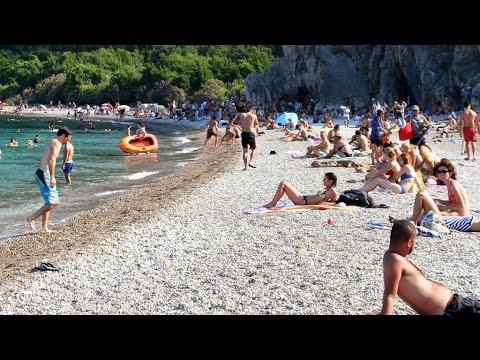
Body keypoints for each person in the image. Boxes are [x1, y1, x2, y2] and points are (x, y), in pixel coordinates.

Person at [377, 219, 480, 315]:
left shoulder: (394, 258)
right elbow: (390, 295)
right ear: (409, 243)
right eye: (414, 241)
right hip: (453, 310)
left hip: (456, 304)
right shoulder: (394, 260)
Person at [27, 127, 72, 233]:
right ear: (62, 136)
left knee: (49, 202)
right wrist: (52, 176)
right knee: (54, 202)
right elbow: (52, 160)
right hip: (44, 174)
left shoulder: (52, 141)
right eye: (67, 139)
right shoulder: (57, 143)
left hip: (41, 173)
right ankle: (32, 218)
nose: (68, 141)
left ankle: (44, 228)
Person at [410, 158, 470, 225]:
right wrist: (441, 201)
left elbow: (461, 206)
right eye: (439, 171)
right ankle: (412, 221)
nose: (441, 173)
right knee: (423, 214)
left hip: (461, 218)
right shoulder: (449, 184)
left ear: (450, 173)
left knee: (422, 215)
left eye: (444, 171)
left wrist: (443, 207)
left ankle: (412, 222)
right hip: (456, 214)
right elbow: (454, 202)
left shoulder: (453, 184)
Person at [265, 172, 340, 208]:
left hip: (302, 202)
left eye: (324, 179)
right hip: (303, 198)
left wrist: (327, 204)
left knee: (283, 183)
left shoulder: (333, 191)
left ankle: (273, 203)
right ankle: (273, 203)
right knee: (285, 183)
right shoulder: (328, 189)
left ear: (330, 181)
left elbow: (338, 203)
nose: (323, 180)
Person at [237, 103, 259, 170]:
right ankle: (251, 162)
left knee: (245, 150)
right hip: (250, 133)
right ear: (251, 109)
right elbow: (256, 124)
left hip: (243, 133)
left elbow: (237, 122)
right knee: (253, 149)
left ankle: (245, 167)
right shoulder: (253, 115)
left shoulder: (241, 115)